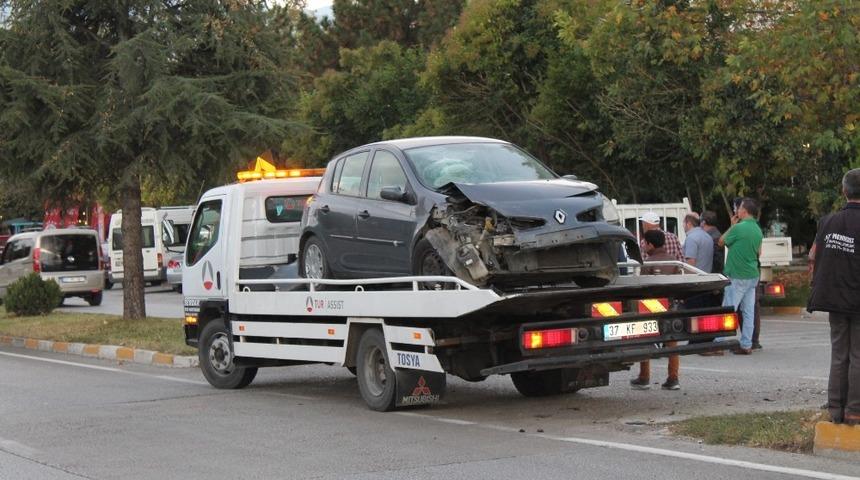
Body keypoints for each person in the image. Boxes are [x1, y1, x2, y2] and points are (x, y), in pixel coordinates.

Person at [808, 168, 860, 425]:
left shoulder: (827, 221)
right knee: (858, 355)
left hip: (834, 299)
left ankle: (835, 409)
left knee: (839, 353)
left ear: (844, 191)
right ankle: (854, 411)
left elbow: (814, 256)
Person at [631, 230, 681, 391]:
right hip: (670, 306)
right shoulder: (674, 261)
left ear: (651, 245)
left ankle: (644, 377)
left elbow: (643, 288)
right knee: (672, 342)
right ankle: (673, 378)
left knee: (645, 340)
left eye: (644, 243)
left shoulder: (648, 263)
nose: (643, 246)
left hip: (651, 309)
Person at [718, 198, 763, 355]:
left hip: (737, 274)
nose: (737, 211)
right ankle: (746, 344)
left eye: (739, 209)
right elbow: (759, 252)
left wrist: (732, 226)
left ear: (745, 211)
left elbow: (721, 241)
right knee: (748, 311)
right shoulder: (757, 229)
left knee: (727, 309)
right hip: (752, 275)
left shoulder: (739, 228)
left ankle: (718, 345)